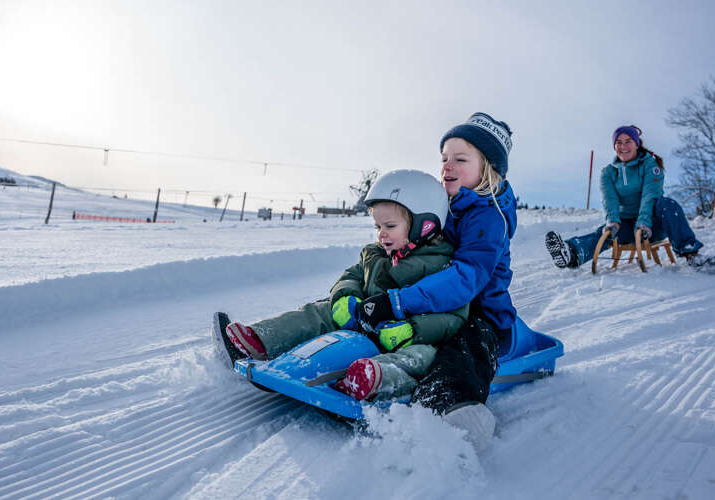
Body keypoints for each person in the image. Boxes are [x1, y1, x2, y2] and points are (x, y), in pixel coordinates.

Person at [212, 169, 469, 401]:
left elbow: (454, 316)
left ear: (424, 225)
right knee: (320, 311)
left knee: (423, 357)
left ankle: (374, 379)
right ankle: (262, 340)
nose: (381, 233)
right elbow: (351, 276)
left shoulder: (444, 267)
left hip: (402, 337)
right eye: (378, 226)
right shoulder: (375, 253)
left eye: (390, 226)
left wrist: (412, 330)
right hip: (362, 319)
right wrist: (345, 297)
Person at [354, 113, 518, 445]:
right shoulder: (445, 204)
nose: (447, 166)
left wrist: (400, 302)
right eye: (444, 158)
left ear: (488, 169)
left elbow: (465, 278)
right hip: (439, 304)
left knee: (462, 346)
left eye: (460, 159)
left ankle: (450, 404)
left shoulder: (489, 218)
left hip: (480, 313)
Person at [546, 125, 715, 271]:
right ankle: (571, 252)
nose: (623, 146)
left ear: (636, 144)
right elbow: (610, 200)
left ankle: (691, 253)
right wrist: (613, 221)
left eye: (628, 141)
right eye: (618, 142)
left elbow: (650, 195)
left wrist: (644, 222)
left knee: (668, 204)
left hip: (653, 225)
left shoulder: (650, 165)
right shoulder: (608, 172)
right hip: (627, 225)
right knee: (604, 232)